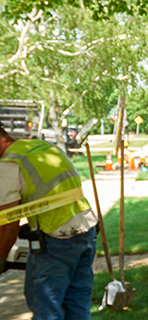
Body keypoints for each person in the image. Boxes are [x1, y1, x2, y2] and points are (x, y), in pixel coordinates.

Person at [0, 123, 98, 319]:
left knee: (45, 306)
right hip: (86, 230)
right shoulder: (43, 147)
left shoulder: (9, 164)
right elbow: (52, 193)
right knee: (77, 303)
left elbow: (8, 224)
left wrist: (1, 258)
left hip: (56, 239)